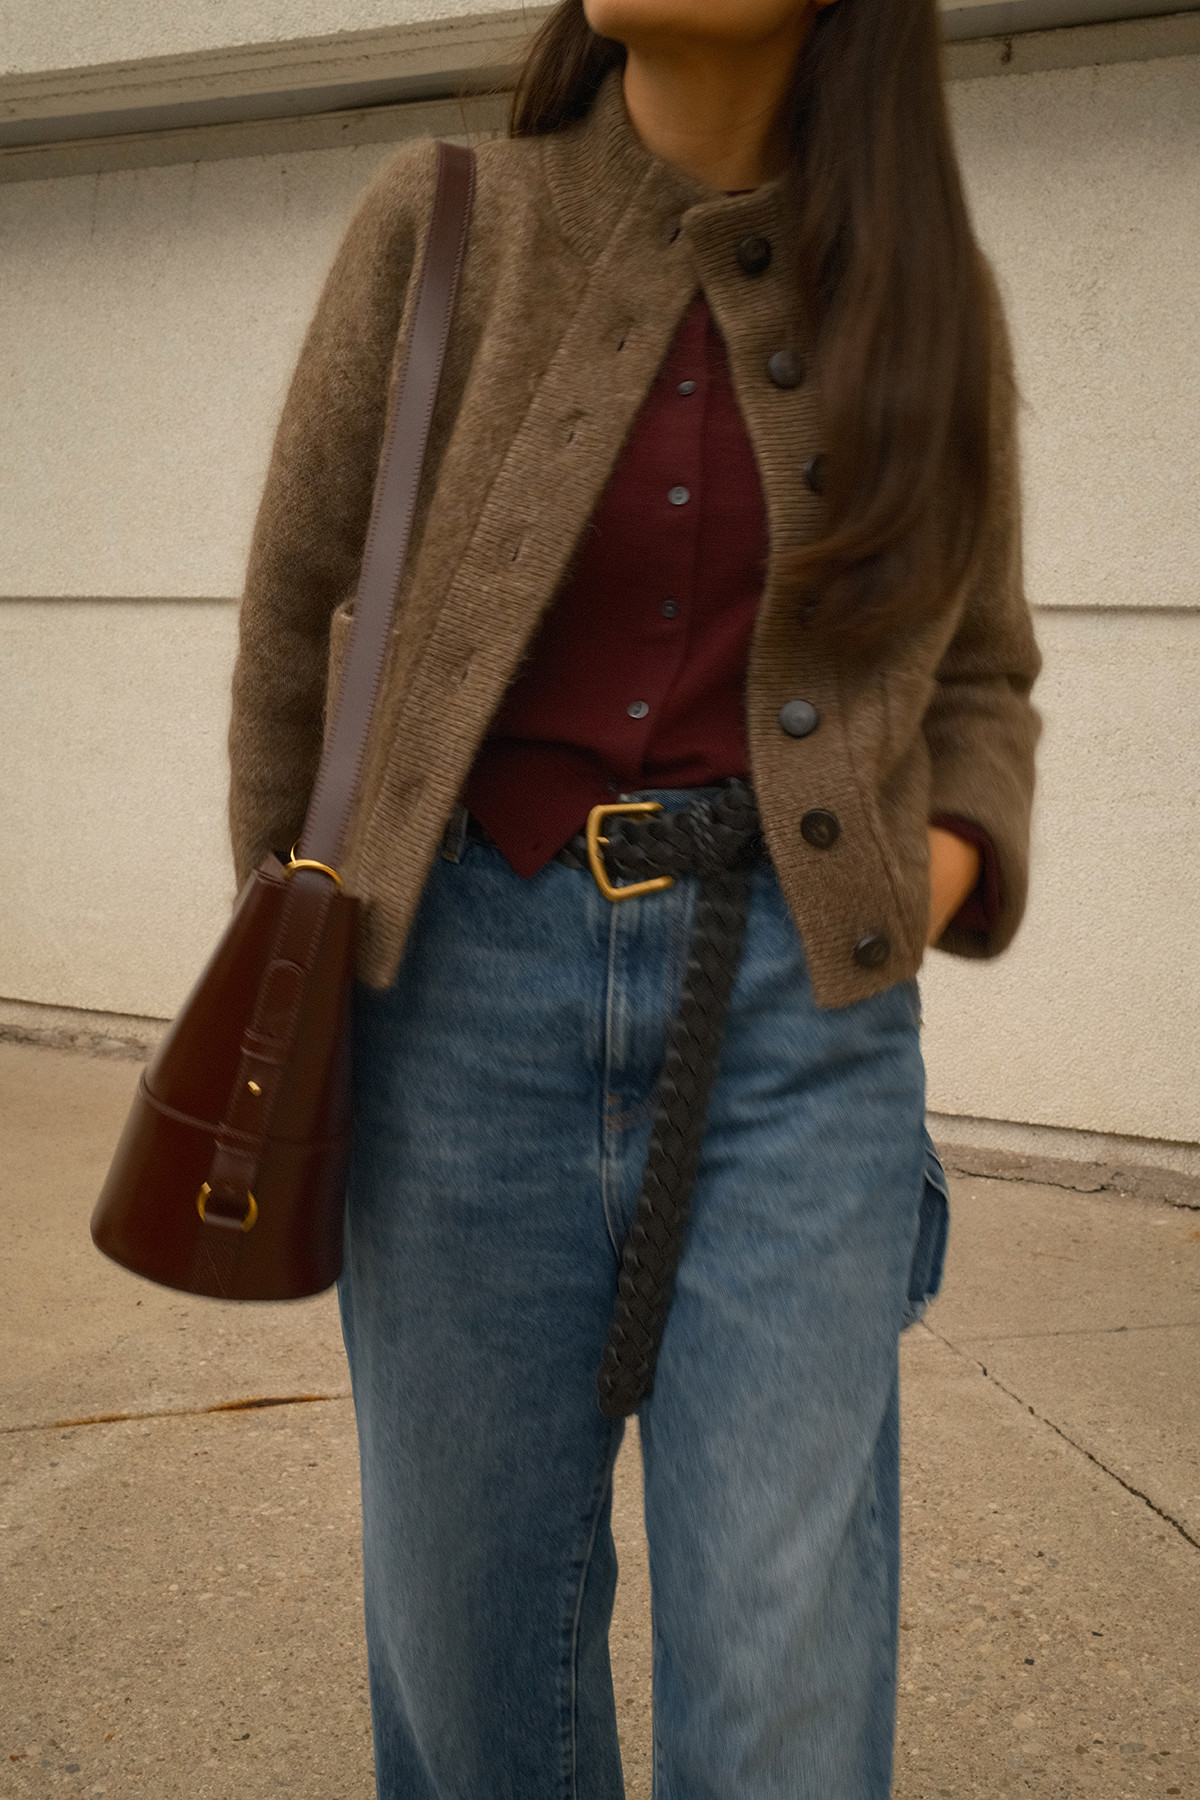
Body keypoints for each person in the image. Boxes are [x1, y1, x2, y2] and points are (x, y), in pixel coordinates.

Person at [228, 0, 1041, 1792]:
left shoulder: (923, 295)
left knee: (784, 1683)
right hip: (454, 1009)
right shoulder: (443, 221)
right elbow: (299, 626)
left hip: (792, 1038)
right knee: (473, 1676)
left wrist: (934, 871)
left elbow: (981, 676)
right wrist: (300, 974)